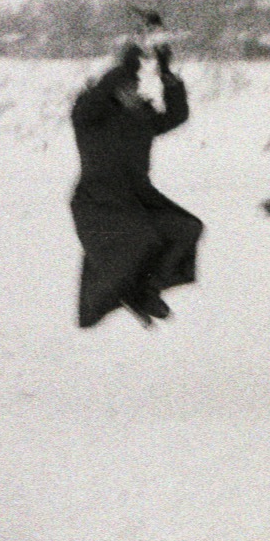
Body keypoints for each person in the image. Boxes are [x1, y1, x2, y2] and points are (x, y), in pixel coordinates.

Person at [69, 41, 203, 328]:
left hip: (138, 196)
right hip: (99, 199)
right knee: (140, 239)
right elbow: (100, 93)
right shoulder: (89, 117)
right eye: (126, 88)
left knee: (186, 229)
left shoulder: (140, 118)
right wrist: (127, 66)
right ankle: (127, 292)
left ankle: (146, 289)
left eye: (135, 87)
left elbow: (177, 115)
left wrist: (166, 71)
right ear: (113, 90)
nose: (133, 93)